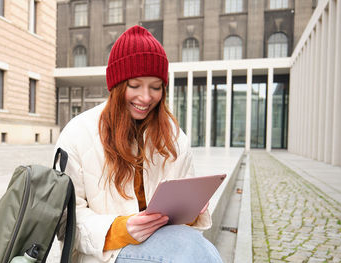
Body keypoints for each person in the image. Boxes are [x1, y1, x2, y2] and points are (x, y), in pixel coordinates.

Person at [54, 25, 223, 263]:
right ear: (116, 86)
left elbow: (186, 230)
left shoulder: (174, 137)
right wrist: (121, 229)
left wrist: (193, 212)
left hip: (166, 244)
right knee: (198, 254)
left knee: (199, 251)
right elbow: (64, 222)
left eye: (155, 87)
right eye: (134, 86)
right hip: (103, 255)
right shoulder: (77, 133)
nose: (145, 97)